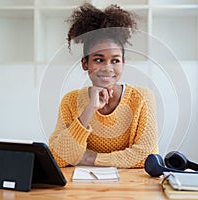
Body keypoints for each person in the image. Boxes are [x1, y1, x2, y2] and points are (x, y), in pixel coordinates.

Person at [49, 3, 158, 168]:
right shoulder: (70, 101)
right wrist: (89, 110)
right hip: (85, 188)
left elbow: (146, 156)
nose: (108, 68)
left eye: (115, 60)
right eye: (99, 60)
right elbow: (57, 157)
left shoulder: (142, 97)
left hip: (131, 188)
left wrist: (90, 159)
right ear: (85, 63)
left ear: (123, 63)